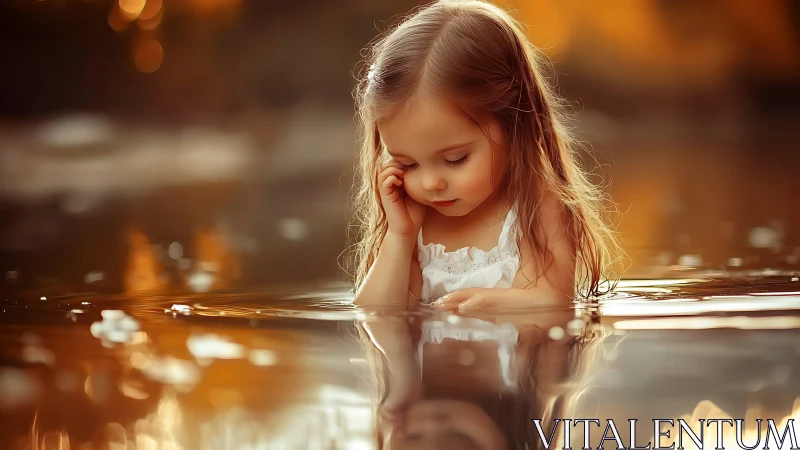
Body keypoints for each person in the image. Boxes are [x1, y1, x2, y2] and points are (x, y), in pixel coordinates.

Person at [344, 0, 624, 310]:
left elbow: (551, 301)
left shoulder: (534, 205)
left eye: (455, 159)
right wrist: (399, 235)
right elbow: (375, 313)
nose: (431, 182)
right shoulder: (415, 222)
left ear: (512, 124)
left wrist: (490, 304)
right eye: (408, 164)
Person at [355, 305, 608, 449]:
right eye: (459, 439)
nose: (434, 423)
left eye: (414, 437)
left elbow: (373, 306)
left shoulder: (402, 361)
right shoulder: (537, 369)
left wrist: (402, 374)